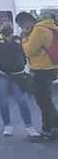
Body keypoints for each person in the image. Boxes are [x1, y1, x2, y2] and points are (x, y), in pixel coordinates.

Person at [0, 18, 39, 137]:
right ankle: (7, 126)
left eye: (9, 26)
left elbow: (25, 53)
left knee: (23, 101)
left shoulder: (18, 40)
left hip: (18, 75)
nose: (7, 29)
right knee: (4, 101)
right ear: (0, 29)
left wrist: (22, 64)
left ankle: (29, 127)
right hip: (1, 75)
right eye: (4, 27)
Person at [16, 11, 58, 142]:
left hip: (42, 68)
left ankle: (47, 131)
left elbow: (29, 50)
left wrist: (23, 38)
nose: (22, 27)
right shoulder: (48, 26)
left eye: (21, 24)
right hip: (49, 67)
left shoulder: (39, 30)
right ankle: (55, 129)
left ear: (26, 21)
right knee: (46, 101)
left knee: (43, 102)